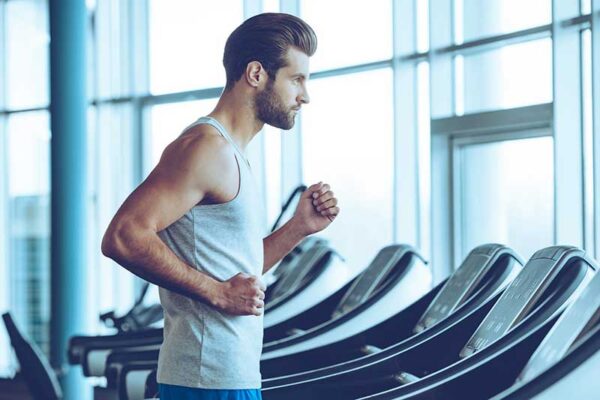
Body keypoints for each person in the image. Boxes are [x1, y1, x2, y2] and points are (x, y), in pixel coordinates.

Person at [101, 12, 339, 400]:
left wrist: (299, 226)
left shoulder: (233, 154)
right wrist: (216, 292)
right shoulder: (206, 148)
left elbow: (237, 267)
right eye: (297, 79)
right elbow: (123, 236)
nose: (305, 95)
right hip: (205, 379)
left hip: (228, 376)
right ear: (257, 74)